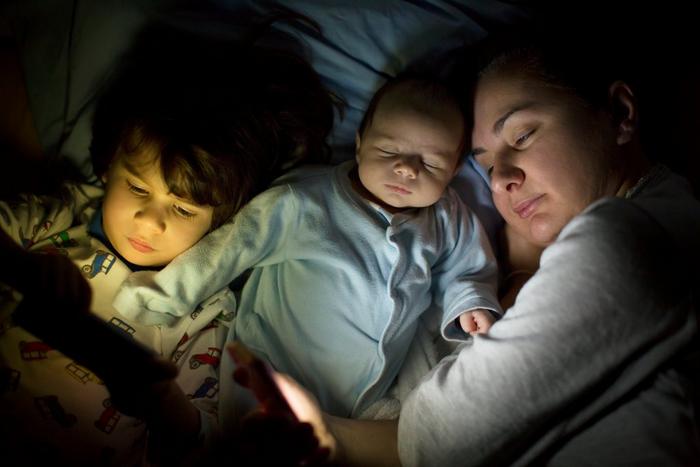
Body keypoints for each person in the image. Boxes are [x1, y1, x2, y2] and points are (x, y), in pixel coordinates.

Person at [231, 23, 700, 467]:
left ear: (620, 113)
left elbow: (441, 438)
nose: (504, 180)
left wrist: (325, 432)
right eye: (486, 164)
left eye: (523, 134)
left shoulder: (626, 239)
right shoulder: (658, 216)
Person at [0, 15, 337, 466]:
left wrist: (162, 402)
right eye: (138, 188)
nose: (149, 220)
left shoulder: (205, 311)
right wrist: (25, 270)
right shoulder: (64, 213)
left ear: (220, 223)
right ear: (107, 167)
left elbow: (202, 440)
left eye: (182, 209)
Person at [111, 76, 501, 435]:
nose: (406, 170)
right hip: (273, 375)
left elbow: (468, 265)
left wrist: (470, 303)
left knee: (414, 433)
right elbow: (230, 247)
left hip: (369, 404)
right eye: (389, 150)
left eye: (431, 163)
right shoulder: (306, 201)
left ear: (452, 172)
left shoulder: (448, 216)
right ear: (361, 142)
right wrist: (166, 294)